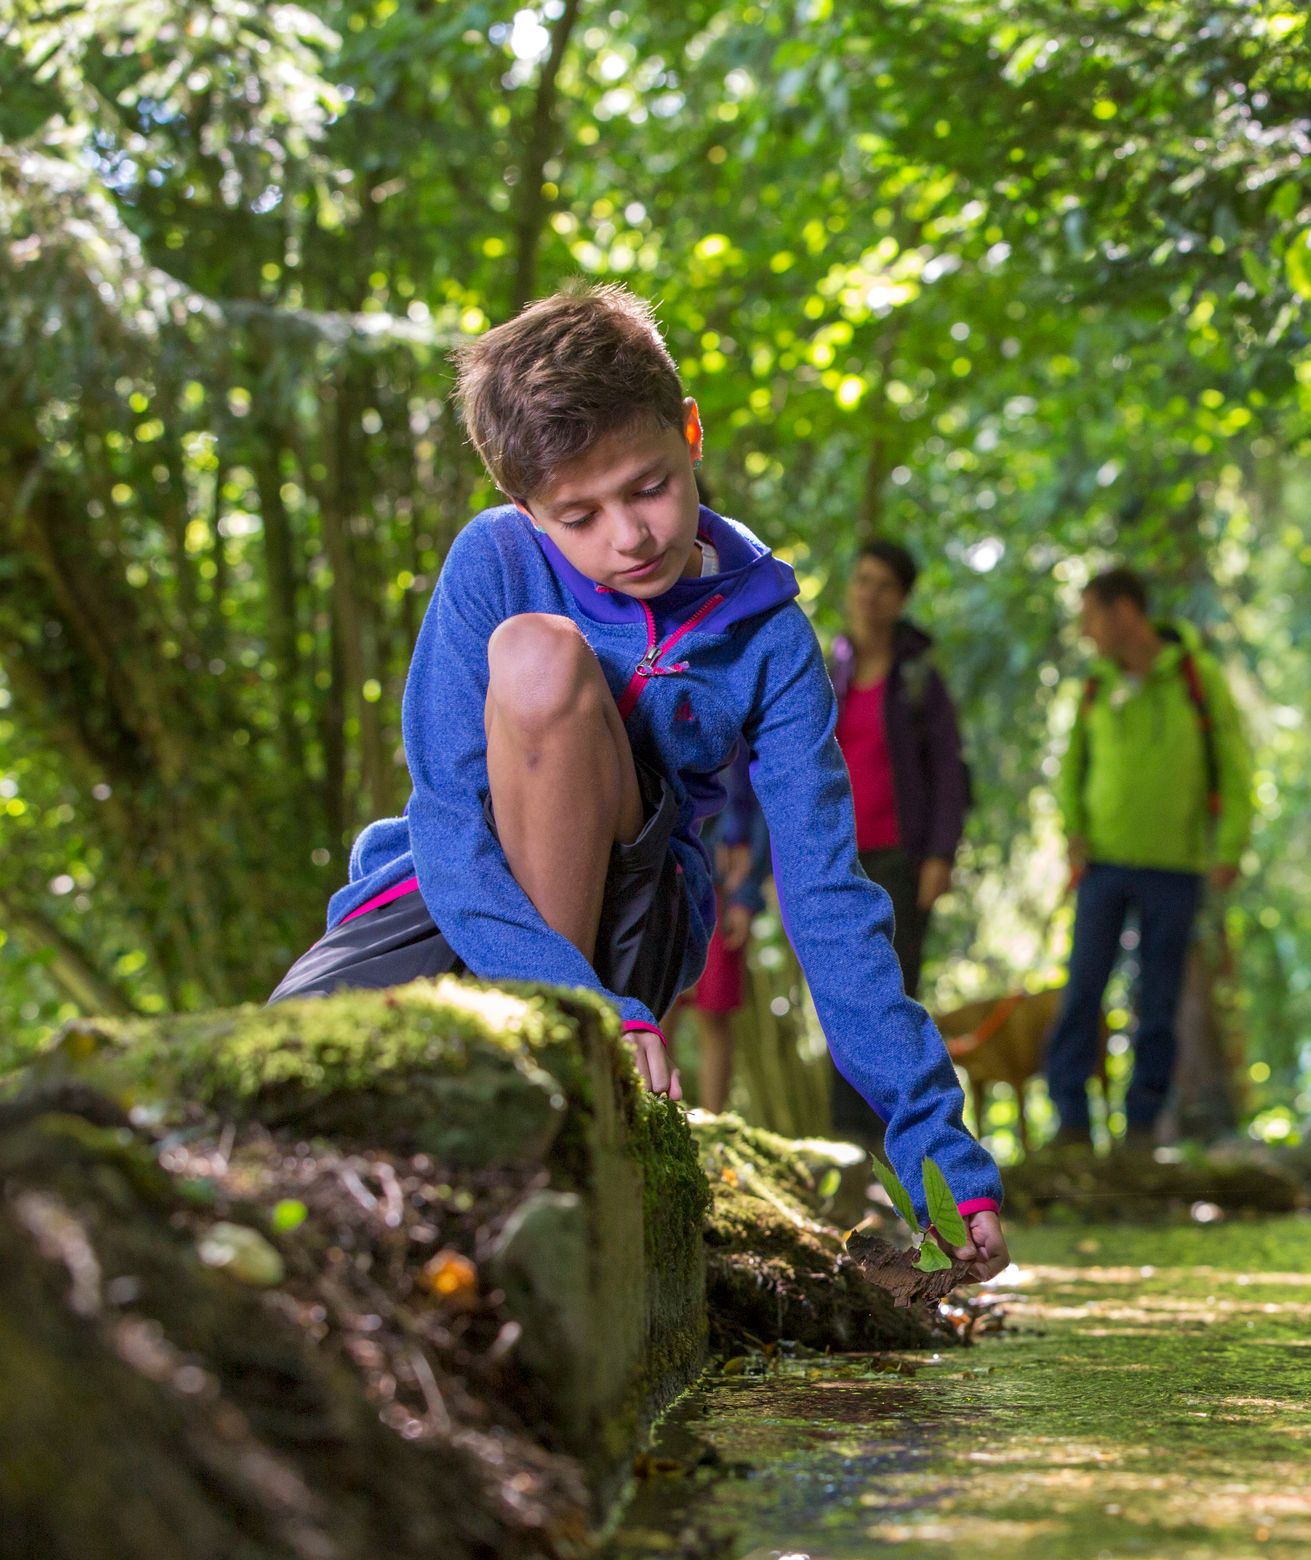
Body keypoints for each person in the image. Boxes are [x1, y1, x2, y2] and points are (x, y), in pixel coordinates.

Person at [267, 284, 1005, 1278]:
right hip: (456, 891)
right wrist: (569, 991)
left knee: (537, 658)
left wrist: (934, 1141)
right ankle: (525, 1038)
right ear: (528, 510)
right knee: (267, 1083)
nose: (630, 535)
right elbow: (446, 816)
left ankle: (551, 1081)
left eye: (648, 486)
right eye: (580, 514)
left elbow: (829, 897)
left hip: (627, 928)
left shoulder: (770, 638)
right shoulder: (491, 557)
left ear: (689, 430)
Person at [1045, 567, 1253, 1148]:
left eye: (1091, 615)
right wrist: (1073, 832)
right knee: (1083, 988)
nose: (1086, 631)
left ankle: (1142, 1126)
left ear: (1124, 612)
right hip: (1103, 865)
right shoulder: (1093, 686)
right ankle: (1070, 1123)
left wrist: (1229, 847)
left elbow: (1235, 769)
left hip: (1177, 867)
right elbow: (1071, 771)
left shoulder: (1194, 677)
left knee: (1157, 1001)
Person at [828, 537, 972, 1138]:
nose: (869, 595)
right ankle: (845, 1144)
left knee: (891, 1002)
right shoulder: (828, 669)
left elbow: (950, 772)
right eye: (863, 580)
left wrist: (940, 855)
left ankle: (898, 1143)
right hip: (835, 863)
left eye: (884, 585)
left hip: (900, 862)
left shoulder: (918, 678)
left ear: (902, 598)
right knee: (839, 1000)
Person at [670, 745, 767, 1115]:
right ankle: (659, 1109)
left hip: (721, 880)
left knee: (713, 1010)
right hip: (666, 874)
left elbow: (755, 802)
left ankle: (713, 1123)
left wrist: (745, 895)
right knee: (661, 1002)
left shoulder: (741, 716)